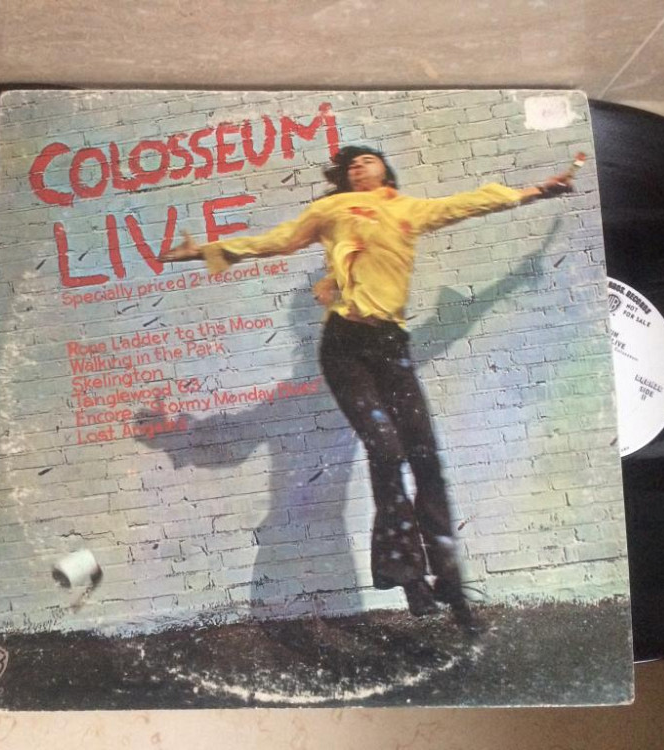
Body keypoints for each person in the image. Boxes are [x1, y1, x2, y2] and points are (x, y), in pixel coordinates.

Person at [160, 145, 575, 633]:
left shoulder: (408, 209)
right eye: (351, 164)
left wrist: (535, 192)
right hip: (345, 347)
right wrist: (205, 251)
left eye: (367, 160)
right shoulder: (333, 209)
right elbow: (276, 241)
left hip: (391, 345)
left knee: (426, 458)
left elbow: (469, 203)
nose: (358, 166)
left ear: (385, 170)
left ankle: (447, 578)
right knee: (387, 449)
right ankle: (409, 576)